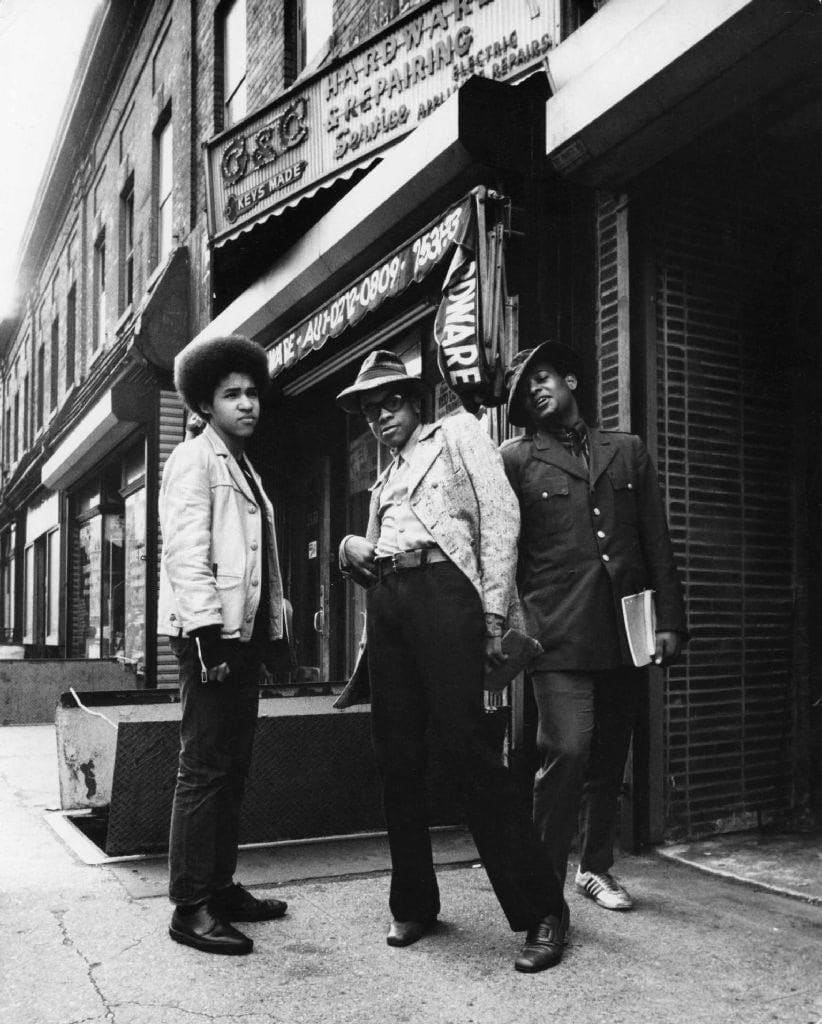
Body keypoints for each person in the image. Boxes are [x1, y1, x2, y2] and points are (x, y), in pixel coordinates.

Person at [334, 349, 567, 973]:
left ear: (415, 401)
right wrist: (349, 545)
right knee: (397, 756)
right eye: (369, 409)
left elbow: (501, 515)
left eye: (391, 402)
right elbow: (376, 552)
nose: (381, 417)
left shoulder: (459, 433)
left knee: (470, 754)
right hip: (389, 604)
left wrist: (493, 615)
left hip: (447, 597)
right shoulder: (384, 479)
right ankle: (414, 902)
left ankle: (544, 910)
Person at [501, 341, 688, 914]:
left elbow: (655, 539)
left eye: (544, 377)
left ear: (572, 381)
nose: (536, 389)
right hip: (554, 633)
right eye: (525, 387)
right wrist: (509, 625)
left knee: (608, 756)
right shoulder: (515, 460)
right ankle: (540, 887)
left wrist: (668, 621)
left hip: (626, 630)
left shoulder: (627, 452)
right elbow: (501, 552)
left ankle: (595, 868)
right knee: (567, 750)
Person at [158, 333, 289, 955]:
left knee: (232, 767)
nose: (247, 404)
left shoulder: (240, 465)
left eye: (252, 393)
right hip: (211, 639)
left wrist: (271, 634)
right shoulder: (194, 460)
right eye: (232, 394)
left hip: (241, 640)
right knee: (204, 768)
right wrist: (209, 638)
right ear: (206, 405)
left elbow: (258, 563)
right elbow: (186, 555)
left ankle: (220, 885)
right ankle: (191, 906)